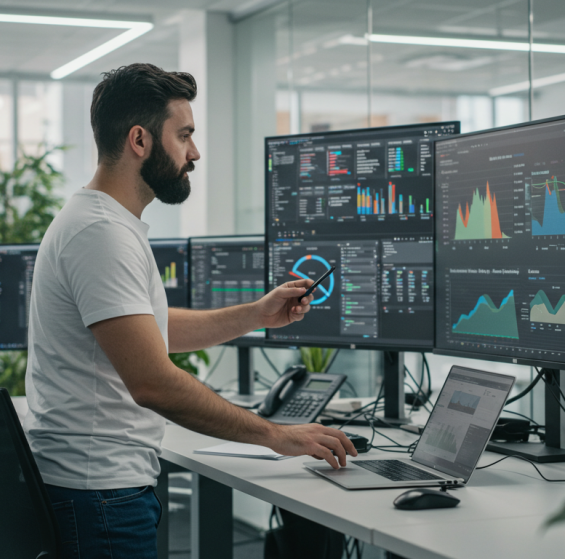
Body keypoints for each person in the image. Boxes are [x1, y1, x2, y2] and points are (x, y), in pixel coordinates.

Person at [23, 63, 357, 559]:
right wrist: (274, 434)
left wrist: (256, 314)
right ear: (140, 140)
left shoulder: (104, 222)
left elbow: (147, 330)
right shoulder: (100, 234)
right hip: (98, 496)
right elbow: (152, 381)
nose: (194, 153)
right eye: (184, 136)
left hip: (96, 487)